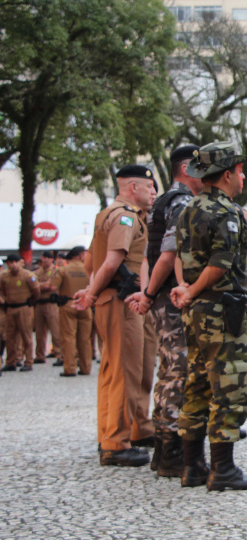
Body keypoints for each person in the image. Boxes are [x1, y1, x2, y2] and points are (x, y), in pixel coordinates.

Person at [170, 141, 247, 491]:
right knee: (230, 388)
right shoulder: (227, 212)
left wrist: (186, 290)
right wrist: (192, 290)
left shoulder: (189, 208)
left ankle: (192, 467)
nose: (242, 177)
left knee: (196, 383)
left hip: (197, 311)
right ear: (226, 175)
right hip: (223, 309)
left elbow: (182, 257)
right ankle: (223, 471)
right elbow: (220, 263)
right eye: (239, 170)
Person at [125, 144, 202, 478]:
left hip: (163, 297)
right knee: (180, 372)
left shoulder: (163, 202)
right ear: (187, 168)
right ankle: (172, 454)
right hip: (172, 299)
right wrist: (151, 293)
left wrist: (147, 293)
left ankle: (164, 450)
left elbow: (148, 256)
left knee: (169, 371)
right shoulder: (182, 202)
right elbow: (168, 255)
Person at [74, 165, 156, 467]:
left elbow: (90, 263)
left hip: (110, 299)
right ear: (133, 187)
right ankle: (117, 444)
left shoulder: (107, 214)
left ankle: (108, 435)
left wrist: (92, 289)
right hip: (122, 302)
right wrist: (92, 293)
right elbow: (110, 262)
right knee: (125, 371)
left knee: (110, 371)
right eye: (148, 187)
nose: (152, 193)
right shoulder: (126, 216)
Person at [51, 247, 92, 377]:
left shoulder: (63, 269)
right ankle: (86, 368)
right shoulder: (90, 269)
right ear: (80, 255)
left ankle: (70, 368)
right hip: (86, 305)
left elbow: (53, 287)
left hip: (69, 304)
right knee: (85, 338)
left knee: (68, 337)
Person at [0, 254, 40, 372]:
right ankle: (11, 361)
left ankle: (28, 361)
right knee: (10, 336)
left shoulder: (28, 275)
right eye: (10, 262)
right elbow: (2, 290)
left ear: (20, 262)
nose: (13, 265)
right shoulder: (4, 276)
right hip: (10, 308)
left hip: (24, 307)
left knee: (26, 335)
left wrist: (30, 302)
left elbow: (36, 291)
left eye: (15, 262)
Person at [34, 251, 62, 364]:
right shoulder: (37, 272)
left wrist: (38, 285)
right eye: (44, 257)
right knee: (39, 332)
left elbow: (50, 286)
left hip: (51, 303)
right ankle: (40, 355)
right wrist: (41, 285)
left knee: (55, 331)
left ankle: (59, 354)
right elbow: (32, 286)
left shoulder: (56, 271)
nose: (45, 260)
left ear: (52, 260)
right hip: (39, 303)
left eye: (48, 258)